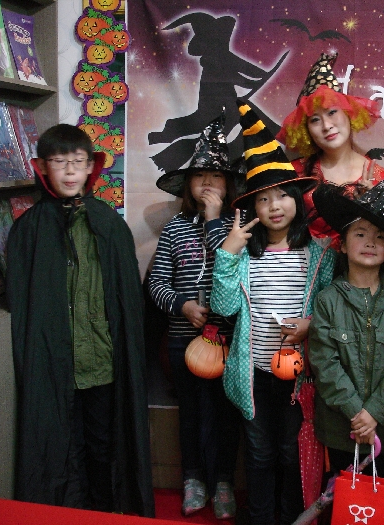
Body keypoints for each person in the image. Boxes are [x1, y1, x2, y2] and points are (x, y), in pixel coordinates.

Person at [6, 124, 154, 516]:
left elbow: (127, 302)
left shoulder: (110, 225)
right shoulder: (29, 230)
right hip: (54, 367)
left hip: (102, 364)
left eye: (78, 162)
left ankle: (102, 512)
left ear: (92, 167)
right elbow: (22, 301)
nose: (70, 171)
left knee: (102, 446)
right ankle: (62, 513)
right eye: (60, 162)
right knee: (57, 445)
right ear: (42, 168)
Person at [210, 100, 335, 525]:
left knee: (289, 452)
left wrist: (311, 325)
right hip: (255, 374)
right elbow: (224, 307)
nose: (275, 205)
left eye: (283, 195)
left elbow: (331, 311)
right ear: (253, 208)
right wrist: (228, 255)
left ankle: (291, 518)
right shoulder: (246, 255)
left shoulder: (320, 254)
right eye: (264, 199)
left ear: (297, 199)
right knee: (259, 453)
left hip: (299, 376)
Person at [308, 158, 384, 479]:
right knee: (340, 492)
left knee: (380, 492)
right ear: (342, 244)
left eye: (380, 236)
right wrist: (356, 414)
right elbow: (324, 362)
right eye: (360, 234)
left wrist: (374, 413)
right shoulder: (328, 300)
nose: (370, 243)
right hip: (341, 426)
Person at [148, 112, 242, 519]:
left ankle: (223, 481)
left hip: (227, 340)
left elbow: (233, 269)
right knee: (191, 414)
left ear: (228, 184)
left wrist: (215, 219)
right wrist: (182, 306)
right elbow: (156, 283)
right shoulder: (174, 229)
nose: (207, 182)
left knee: (224, 414)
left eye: (216, 176)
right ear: (187, 183)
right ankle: (192, 478)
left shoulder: (239, 226)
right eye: (199, 175)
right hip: (181, 339)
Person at [278, 53, 384, 248]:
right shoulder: (294, 174)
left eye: (332, 112)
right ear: (306, 130)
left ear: (349, 113)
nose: (327, 125)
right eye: (315, 119)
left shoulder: (380, 178)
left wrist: (372, 209)